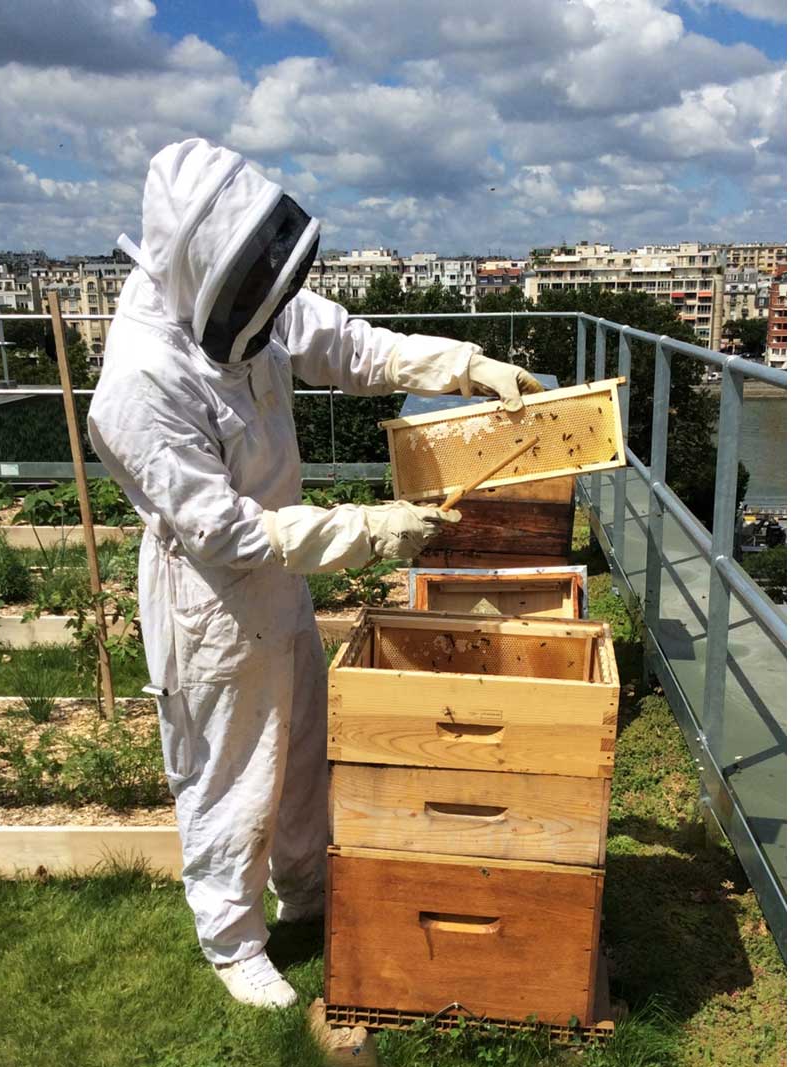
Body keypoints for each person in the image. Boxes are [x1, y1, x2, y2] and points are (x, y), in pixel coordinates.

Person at [87, 139, 545, 1009]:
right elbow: (221, 528)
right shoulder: (141, 378)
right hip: (210, 598)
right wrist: (369, 528)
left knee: (299, 748)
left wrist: (464, 367)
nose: (267, 303)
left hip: (283, 572)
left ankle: (307, 892)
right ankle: (230, 937)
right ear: (202, 269)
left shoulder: (242, 297)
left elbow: (348, 344)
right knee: (230, 767)